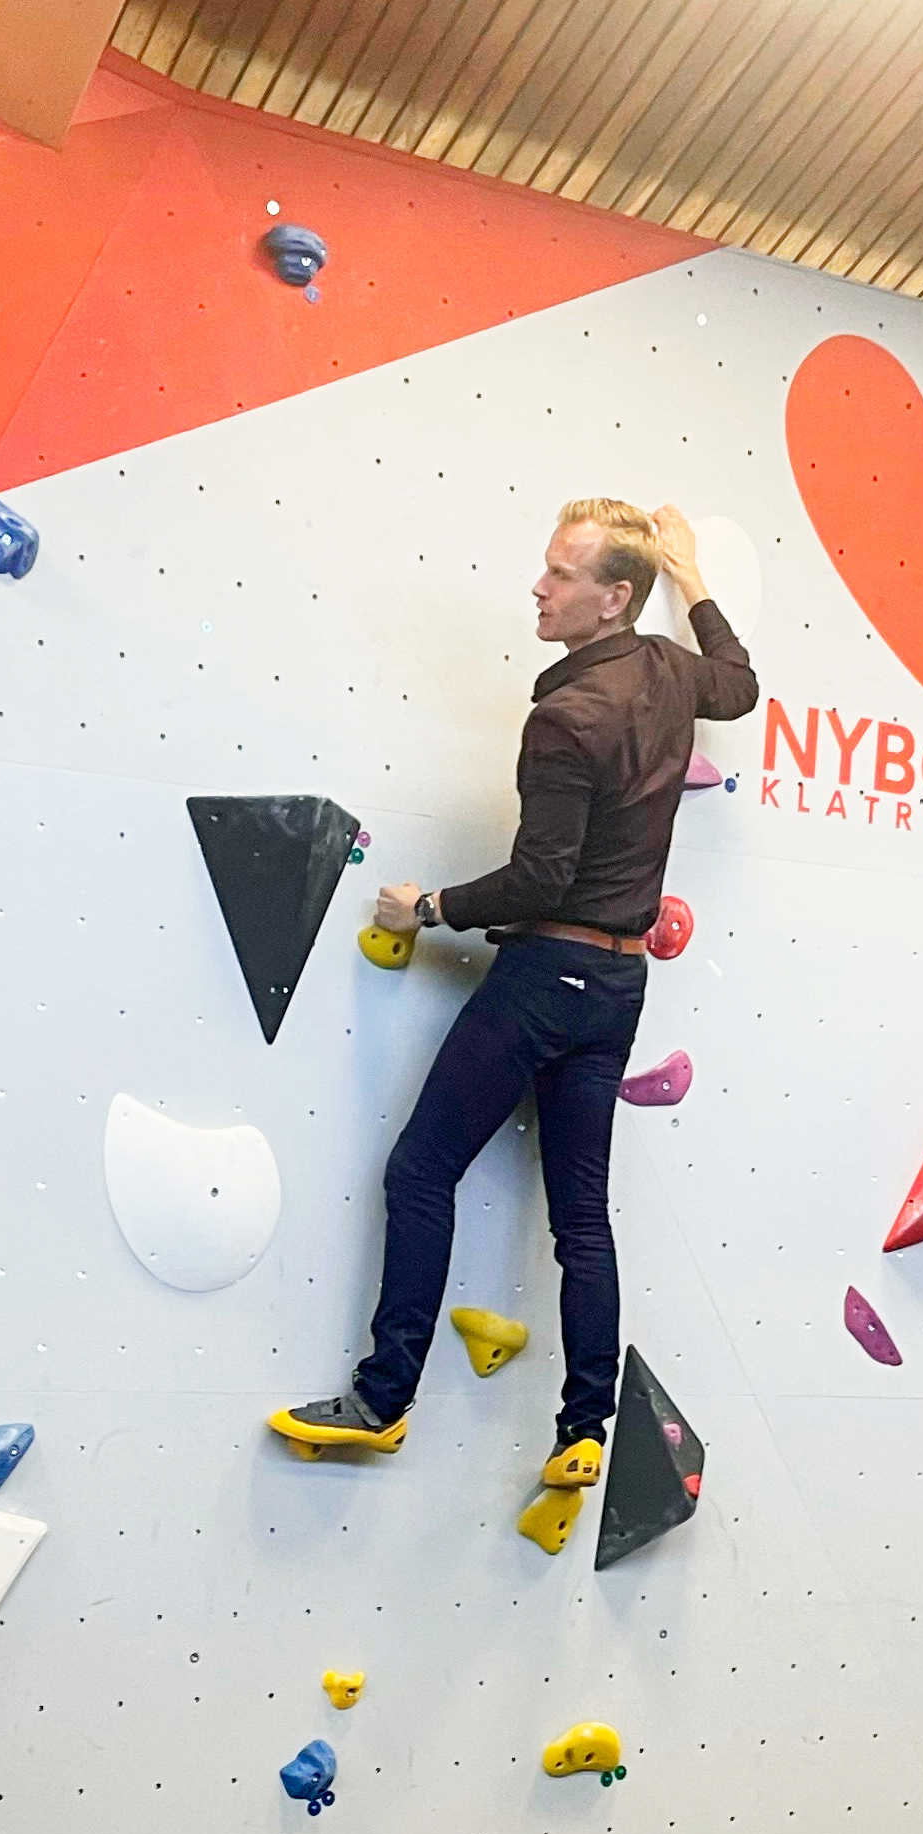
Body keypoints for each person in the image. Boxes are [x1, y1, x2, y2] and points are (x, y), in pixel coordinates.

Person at [271, 499, 757, 1501]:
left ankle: (382, 1400)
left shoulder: (567, 719)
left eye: (560, 574)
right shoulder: (669, 670)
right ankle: (586, 1429)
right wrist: (693, 573)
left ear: (613, 599)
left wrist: (429, 905)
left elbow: (540, 879)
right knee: (583, 1218)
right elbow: (740, 687)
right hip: (619, 984)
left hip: (545, 977)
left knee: (420, 1171)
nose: (539, 588)